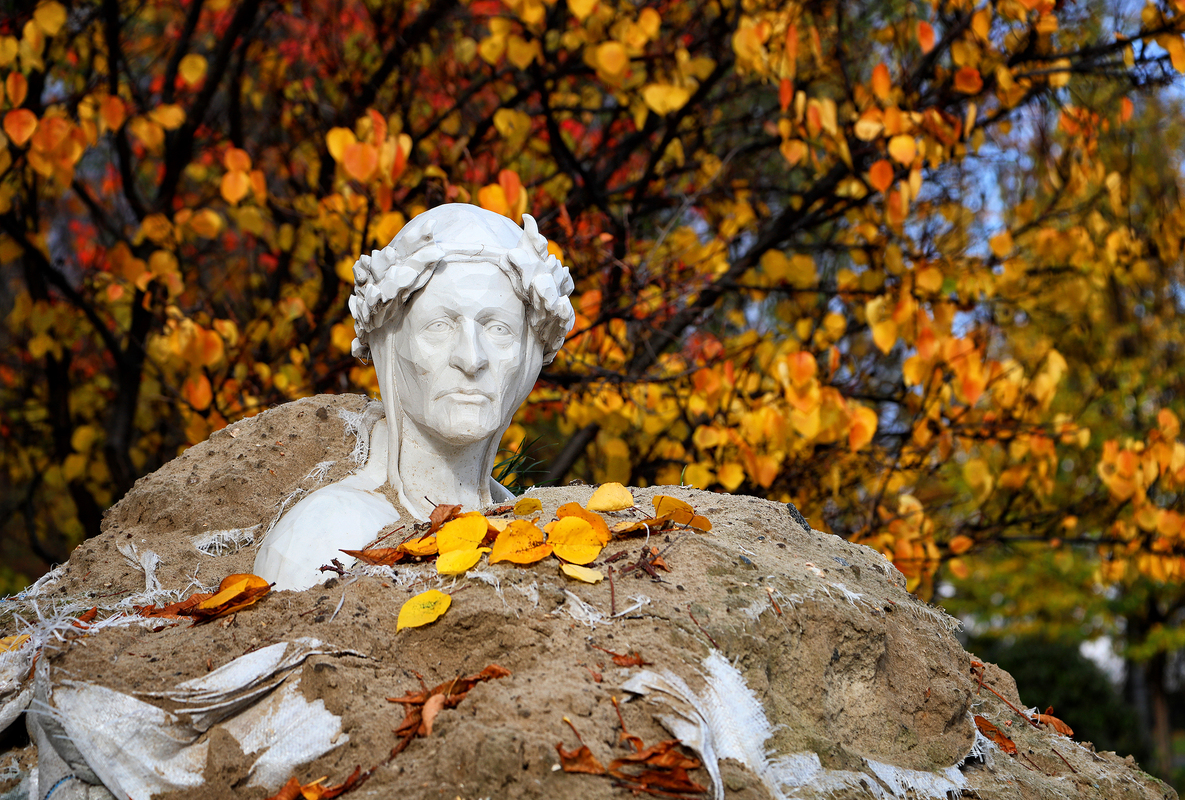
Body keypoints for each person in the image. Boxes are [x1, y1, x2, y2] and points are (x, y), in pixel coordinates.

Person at [253, 204, 575, 590]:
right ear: (388, 339)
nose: (471, 359)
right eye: (439, 326)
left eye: (499, 328)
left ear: (532, 352)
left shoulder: (525, 521)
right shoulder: (328, 534)